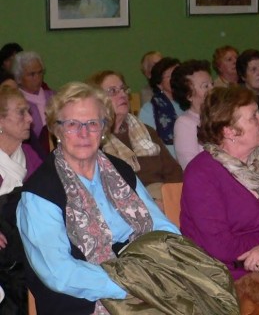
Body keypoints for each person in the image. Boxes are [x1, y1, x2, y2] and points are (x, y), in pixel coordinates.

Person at [17, 82, 181, 314]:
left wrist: (171, 262)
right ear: (57, 129)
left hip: (143, 282)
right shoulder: (40, 193)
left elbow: (160, 226)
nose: (83, 133)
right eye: (72, 124)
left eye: (92, 123)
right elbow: (59, 274)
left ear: (104, 128)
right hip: (81, 301)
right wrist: (129, 285)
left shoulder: (121, 170)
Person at [180, 86, 259, 279]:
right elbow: (221, 248)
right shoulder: (201, 174)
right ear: (229, 131)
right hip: (224, 276)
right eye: (254, 116)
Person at [88, 71, 182, 207]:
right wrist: (150, 205)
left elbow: (174, 172)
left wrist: (170, 200)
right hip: (126, 206)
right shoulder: (94, 140)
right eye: (113, 91)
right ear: (96, 100)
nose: (122, 94)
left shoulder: (146, 131)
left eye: (123, 89)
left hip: (164, 198)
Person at [0, 86, 42, 314]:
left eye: (28, 112)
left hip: (28, 241)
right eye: (21, 112)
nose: (30, 119)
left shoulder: (30, 155)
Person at [172, 60, 214, 170]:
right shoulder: (184, 123)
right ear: (189, 95)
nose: (213, 90)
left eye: (212, 84)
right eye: (205, 86)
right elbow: (191, 167)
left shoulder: (221, 116)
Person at [138, 57, 182, 157]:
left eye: (180, 75)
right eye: (171, 76)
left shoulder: (191, 103)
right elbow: (147, 145)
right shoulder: (149, 110)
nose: (177, 79)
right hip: (167, 161)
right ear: (159, 84)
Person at [13, 51, 52, 159]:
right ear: (19, 78)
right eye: (32, 74)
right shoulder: (17, 104)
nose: (38, 78)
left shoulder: (54, 97)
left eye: (40, 73)